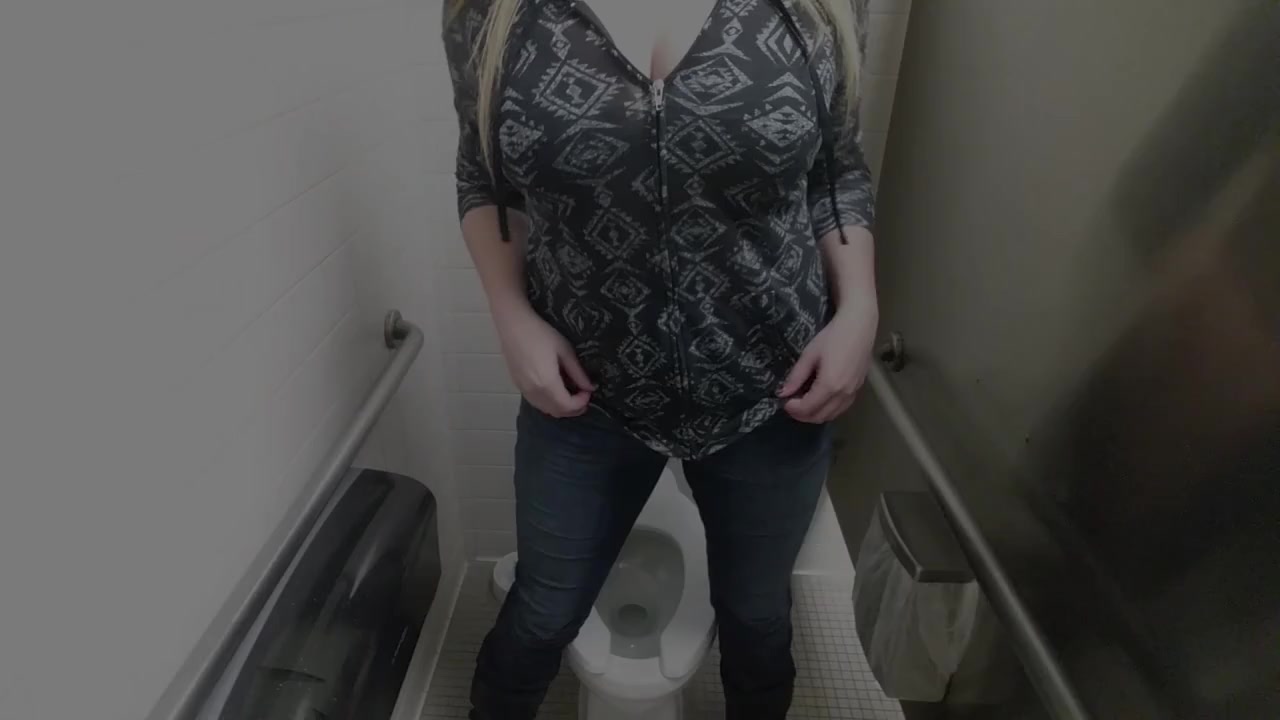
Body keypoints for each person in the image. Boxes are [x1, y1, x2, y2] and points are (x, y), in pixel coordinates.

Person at [441, 0, 879, 717]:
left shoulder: (818, 7)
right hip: (585, 394)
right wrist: (510, 314)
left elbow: (837, 173)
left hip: (772, 387)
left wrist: (859, 307)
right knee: (542, 614)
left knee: (757, 619)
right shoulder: (489, 14)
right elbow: (485, 178)